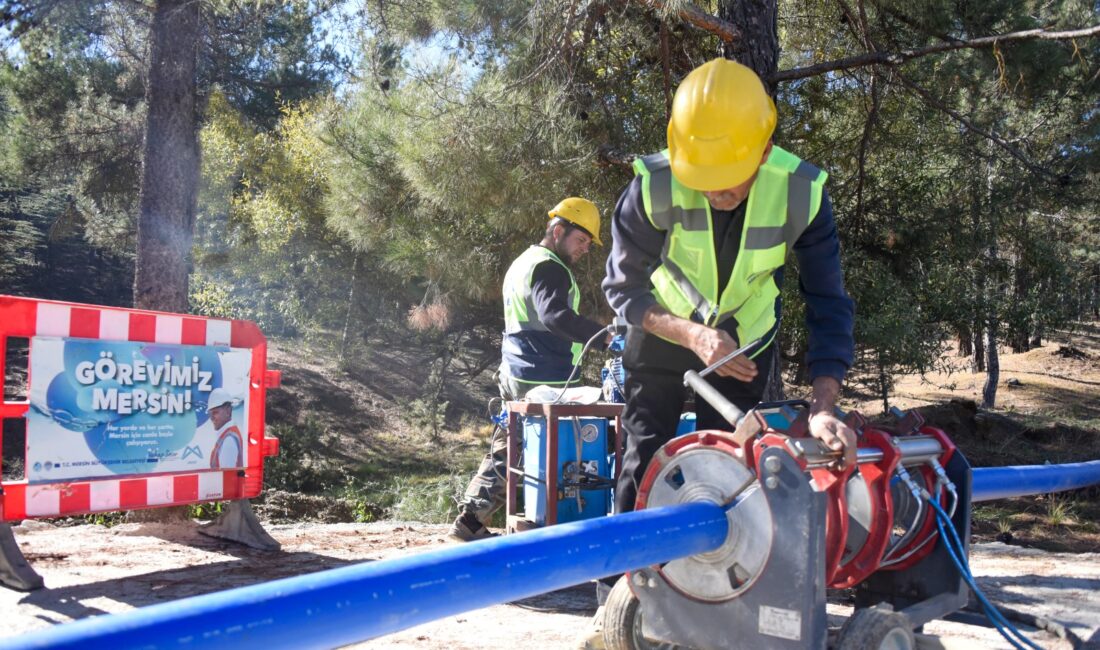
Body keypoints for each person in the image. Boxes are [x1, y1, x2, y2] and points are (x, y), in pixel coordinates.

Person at [602, 58, 858, 517]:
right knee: (643, 459)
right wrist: (694, 335)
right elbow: (623, 289)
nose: (713, 193)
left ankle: (713, 580)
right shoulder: (651, 188)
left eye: (726, 181)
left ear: (763, 152)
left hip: (742, 347)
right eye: (702, 180)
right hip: (663, 333)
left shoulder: (803, 194)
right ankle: (623, 579)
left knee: (728, 466)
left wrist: (823, 407)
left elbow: (829, 305)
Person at [450, 197, 610, 542]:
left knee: (509, 447)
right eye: (581, 240)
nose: (585, 249)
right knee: (560, 450)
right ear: (558, 230)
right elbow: (554, 316)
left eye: (588, 243)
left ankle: (471, 518)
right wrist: (604, 338)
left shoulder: (525, 261)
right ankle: (560, 525)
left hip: (518, 367)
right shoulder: (549, 266)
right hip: (543, 373)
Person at [205, 387, 244, 470]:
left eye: (215, 412)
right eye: (210, 414)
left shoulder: (229, 440)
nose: (211, 418)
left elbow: (227, 477)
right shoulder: (226, 435)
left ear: (228, 411)